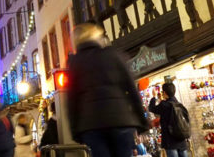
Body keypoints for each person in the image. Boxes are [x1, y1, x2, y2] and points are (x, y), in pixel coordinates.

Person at [67, 24, 147, 157]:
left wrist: (75, 130)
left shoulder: (75, 63)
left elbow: (72, 101)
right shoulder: (113, 55)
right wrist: (141, 120)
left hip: (92, 124)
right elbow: (131, 88)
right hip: (120, 120)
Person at [148, 83, 190, 157]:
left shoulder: (164, 105)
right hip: (181, 139)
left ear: (164, 92)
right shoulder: (179, 105)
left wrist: (154, 96)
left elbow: (151, 108)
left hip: (170, 142)